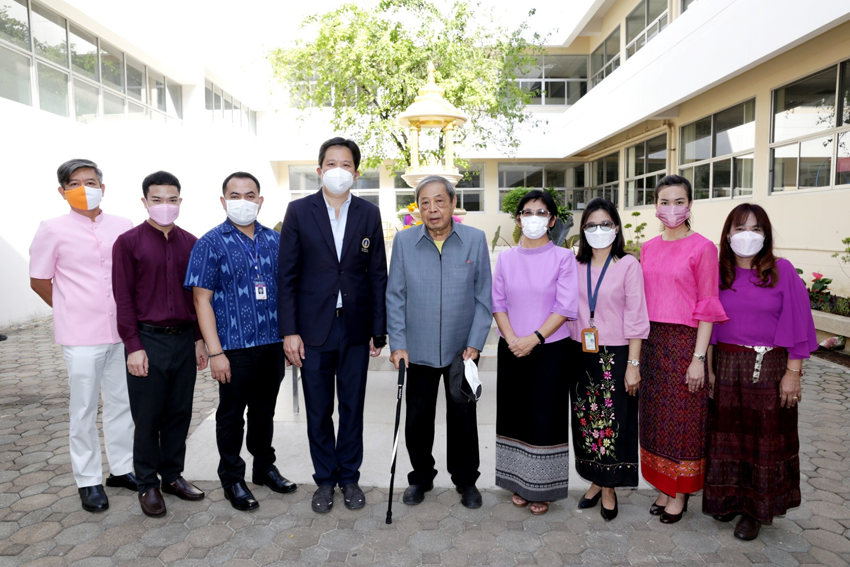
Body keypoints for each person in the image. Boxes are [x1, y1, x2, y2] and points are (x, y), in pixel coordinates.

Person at [278, 137, 387, 514]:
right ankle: (325, 480)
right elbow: (286, 276)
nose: (338, 170)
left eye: (346, 164)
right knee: (318, 410)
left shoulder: (368, 214)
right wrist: (290, 331)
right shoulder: (298, 211)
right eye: (331, 163)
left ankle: (349, 478)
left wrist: (378, 330)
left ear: (356, 172)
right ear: (320, 168)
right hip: (312, 330)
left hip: (354, 329)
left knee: (353, 408)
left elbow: (377, 275)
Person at [703, 203, 817, 540]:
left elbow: (799, 323)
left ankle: (756, 511)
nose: (747, 235)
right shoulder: (719, 273)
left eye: (755, 229)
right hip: (725, 364)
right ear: (727, 234)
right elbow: (707, 321)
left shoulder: (781, 271)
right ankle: (729, 499)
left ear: (765, 235)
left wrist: (792, 372)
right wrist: (708, 369)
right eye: (740, 229)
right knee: (727, 438)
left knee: (763, 441)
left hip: (768, 367)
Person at [29, 159, 137, 513]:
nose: (83, 188)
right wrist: (68, 308)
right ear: (62, 191)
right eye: (74, 183)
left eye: (90, 182)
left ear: (102, 188)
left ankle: (122, 469)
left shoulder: (123, 226)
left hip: (121, 332)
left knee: (123, 404)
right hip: (80, 334)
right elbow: (40, 280)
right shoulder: (52, 228)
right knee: (84, 408)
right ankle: (88, 480)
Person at [185, 171, 296, 512]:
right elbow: (201, 300)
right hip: (231, 348)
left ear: (260, 201)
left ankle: (264, 468)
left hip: (270, 345)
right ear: (223, 201)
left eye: (250, 195)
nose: (243, 201)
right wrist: (214, 350)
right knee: (232, 416)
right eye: (235, 195)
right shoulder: (209, 243)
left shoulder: (275, 241)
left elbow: (287, 291)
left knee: (264, 412)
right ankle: (232, 477)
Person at [386, 175, 493, 509]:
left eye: (439, 201)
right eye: (425, 203)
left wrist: (475, 342)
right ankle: (421, 477)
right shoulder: (404, 242)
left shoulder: (474, 240)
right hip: (416, 349)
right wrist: (398, 344)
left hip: (461, 350)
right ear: (418, 208)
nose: (432, 209)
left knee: (463, 421)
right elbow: (395, 296)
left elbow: (483, 297)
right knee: (418, 420)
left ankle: (466, 481)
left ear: (453, 202)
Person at [112, 171, 209, 517]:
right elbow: (122, 299)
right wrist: (133, 345)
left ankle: (172, 476)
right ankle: (147, 483)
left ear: (180, 202)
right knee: (147, 416)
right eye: (157, 199)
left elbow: (197, 299)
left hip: (183, 340)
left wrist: (199, 340)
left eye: (172, 199)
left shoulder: (193, 243)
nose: (165, 206)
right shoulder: (128, 242)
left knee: (179, 413)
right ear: (144, 202)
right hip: (147, 340)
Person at [639, 174, 728, 523]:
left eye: (679, 202)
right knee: (657, 420)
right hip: (652, 344)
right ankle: (663, 487)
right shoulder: (648, 247)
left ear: (690, 205)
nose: (671, 208)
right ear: (655, 205)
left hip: (686, 344)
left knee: (685, 422)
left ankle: (679, 494)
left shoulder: (703, 247)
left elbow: (708, 305)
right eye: (665, 201)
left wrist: (699, 359)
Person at [491, 189, 578, 515]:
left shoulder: (563, 258)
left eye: (542, 213)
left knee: (545, 418)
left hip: (549, 350)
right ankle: (517, 482)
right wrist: (513, 337)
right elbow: (497, 302)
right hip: (511, 347)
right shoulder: (506, 258)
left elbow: (565, 306)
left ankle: (542, 488)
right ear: (518, 219)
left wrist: (535, 338)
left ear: (552, 220)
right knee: (515, 416)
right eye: (527, 212)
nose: (534, 218)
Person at [567, 198, 649, 521]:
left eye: (605, 224)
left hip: (615, 357)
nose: (598, 230)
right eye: (590, 225)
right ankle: (595, 480)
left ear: (616, 228)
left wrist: (633, 365)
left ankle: (610, 486)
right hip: (581, 354)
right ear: (583, 230)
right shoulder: (574, 265)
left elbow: (637, 318)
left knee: (614, 423)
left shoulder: (628, 265)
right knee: (586, 422)